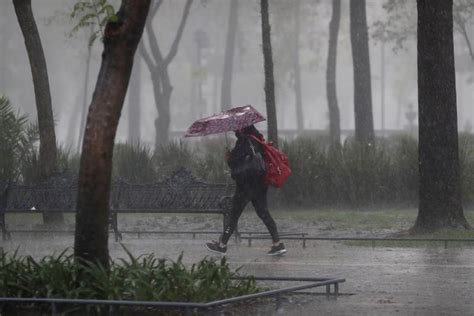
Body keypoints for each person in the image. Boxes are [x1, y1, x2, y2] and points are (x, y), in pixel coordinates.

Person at [205, 125, 287, 256]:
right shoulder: (258, 139)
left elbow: (235, 163)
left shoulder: (244, 141)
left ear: (242, 129)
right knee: (264, 213)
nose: (235, 131)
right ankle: (277, 243)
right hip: (260, 184)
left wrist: (229, 158)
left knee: (234, 214)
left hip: (245, 185)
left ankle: (222, 245)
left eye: (237, 129)